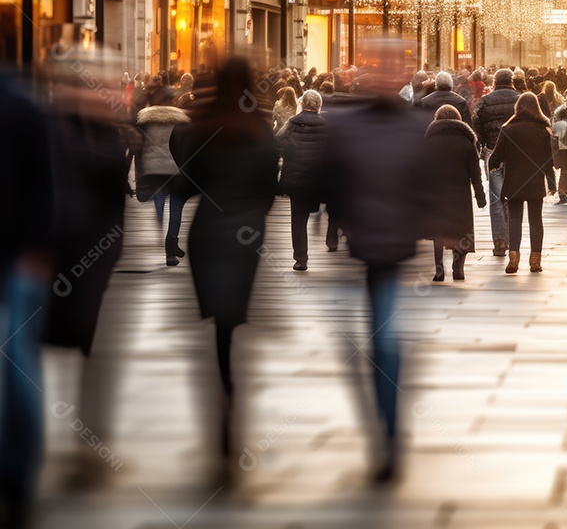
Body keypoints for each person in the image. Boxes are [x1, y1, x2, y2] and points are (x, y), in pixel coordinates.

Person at [322, 63, 435, 482]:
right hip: (378, 241)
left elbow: (427, 180)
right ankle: (387, 428)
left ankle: (387, 432)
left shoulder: (362, 122)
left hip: (384, 244)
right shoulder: (398, 122)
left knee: (382, 337)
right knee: (380, 334)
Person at [173, 59, 278, 449]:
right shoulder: (260, 129)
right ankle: (232, 394)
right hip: (247, 232)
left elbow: (186, 185)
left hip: (208, 231)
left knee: (218, 318)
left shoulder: (205, 128)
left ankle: (224, 387)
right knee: (231, 318)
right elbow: (270, 187)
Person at [0, 74, 52, 529]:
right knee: (18, 366)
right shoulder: (25, 107)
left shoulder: (21, 109)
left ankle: (16, 476)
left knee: (17, 367)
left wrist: (34, 253)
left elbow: (41, 186)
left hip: (17, 261)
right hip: (20, 257)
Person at [489, 92, 556, 274]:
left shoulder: (508, 129)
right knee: (536, 220)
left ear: (518, 107)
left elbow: (495, 158)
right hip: (535, 183)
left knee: (514, 219)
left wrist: (494, 167)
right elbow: (548, 160)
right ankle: (535, 261)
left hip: (513, 183)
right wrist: (551, 183)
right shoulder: (543, 130)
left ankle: (513, 260)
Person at [127, 92, 192, 265]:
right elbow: (187, 148)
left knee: (160, 195)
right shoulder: (181, 121)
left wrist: (137, 169)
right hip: (175, 167)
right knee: (176, 206)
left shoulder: (144, 121)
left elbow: (137, 147)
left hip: (152, 167)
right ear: (172, 102)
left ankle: (160, 222)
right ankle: (171, 247)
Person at [425, 105, 486, 281]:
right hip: (460, 194)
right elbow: (475, 172)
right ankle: (458, 268)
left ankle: (439, 270)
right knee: (461, 230)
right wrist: (480, 196)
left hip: (437, 193)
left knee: (438, 232)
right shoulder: (466, 142)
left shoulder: (430, 141)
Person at [277, 90, 330, 271]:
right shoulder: (327, 125)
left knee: (298, 219)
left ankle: (301, 258)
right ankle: (332, 237)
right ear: (319, 106)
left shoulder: (291, 123)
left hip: (296, 179)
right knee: (325, 209)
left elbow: (278, 144)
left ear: (303, 103)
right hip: (320, 181)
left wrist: (291, 157)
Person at [473, 69, 520, 257]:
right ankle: (512, 240)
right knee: (513, 196)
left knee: (495, 197)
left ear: (495, 82)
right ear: (511, 81)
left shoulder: (485, 100)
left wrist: (483, 144)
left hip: (493, 151)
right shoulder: (520, 98)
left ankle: (500, 241)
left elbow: (476, 123)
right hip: (516, 152)